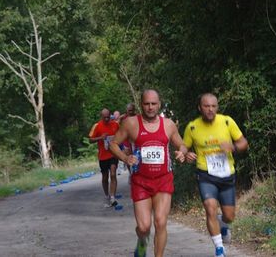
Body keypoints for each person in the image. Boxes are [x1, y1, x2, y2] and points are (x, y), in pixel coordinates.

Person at [109, 89, 187, 257]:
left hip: (163, 180)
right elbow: (113, 144)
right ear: (141, 104)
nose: (150, 107)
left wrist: (182, 152)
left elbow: (182, 144)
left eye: (154, 103)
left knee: (160, 222)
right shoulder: (131, 123)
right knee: (144, 227)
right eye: (146, 104)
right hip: (141, 181)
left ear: (159, 104)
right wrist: (125, 157)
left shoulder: (169, 124)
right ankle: (142, 243)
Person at [183, 93, 248, 257]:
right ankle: (219, 249)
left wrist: (233, 147)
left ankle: (224, 224)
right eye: (206, 106)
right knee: (210, 209)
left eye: (213, 106)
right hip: (206, 174)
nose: (210, 109)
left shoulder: (227, 121)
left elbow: (243, 143)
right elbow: (184, 146)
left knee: (229, 216)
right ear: (200, 108)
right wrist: (184, 154)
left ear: (217, 107)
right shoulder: (192, 127)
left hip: (227, 174)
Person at [89, 108, 120, 207]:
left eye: (108, 117)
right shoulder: (97, 126)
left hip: (113, 154)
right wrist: (100, 138)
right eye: (104, 117)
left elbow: (121, 135)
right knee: (105, 177)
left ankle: (112, 197)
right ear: (101, 116)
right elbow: (90, 139)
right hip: (103, 156)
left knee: (113, 174)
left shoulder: (115, 124)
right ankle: (107, 195)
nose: (107, 119)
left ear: (110, 115)